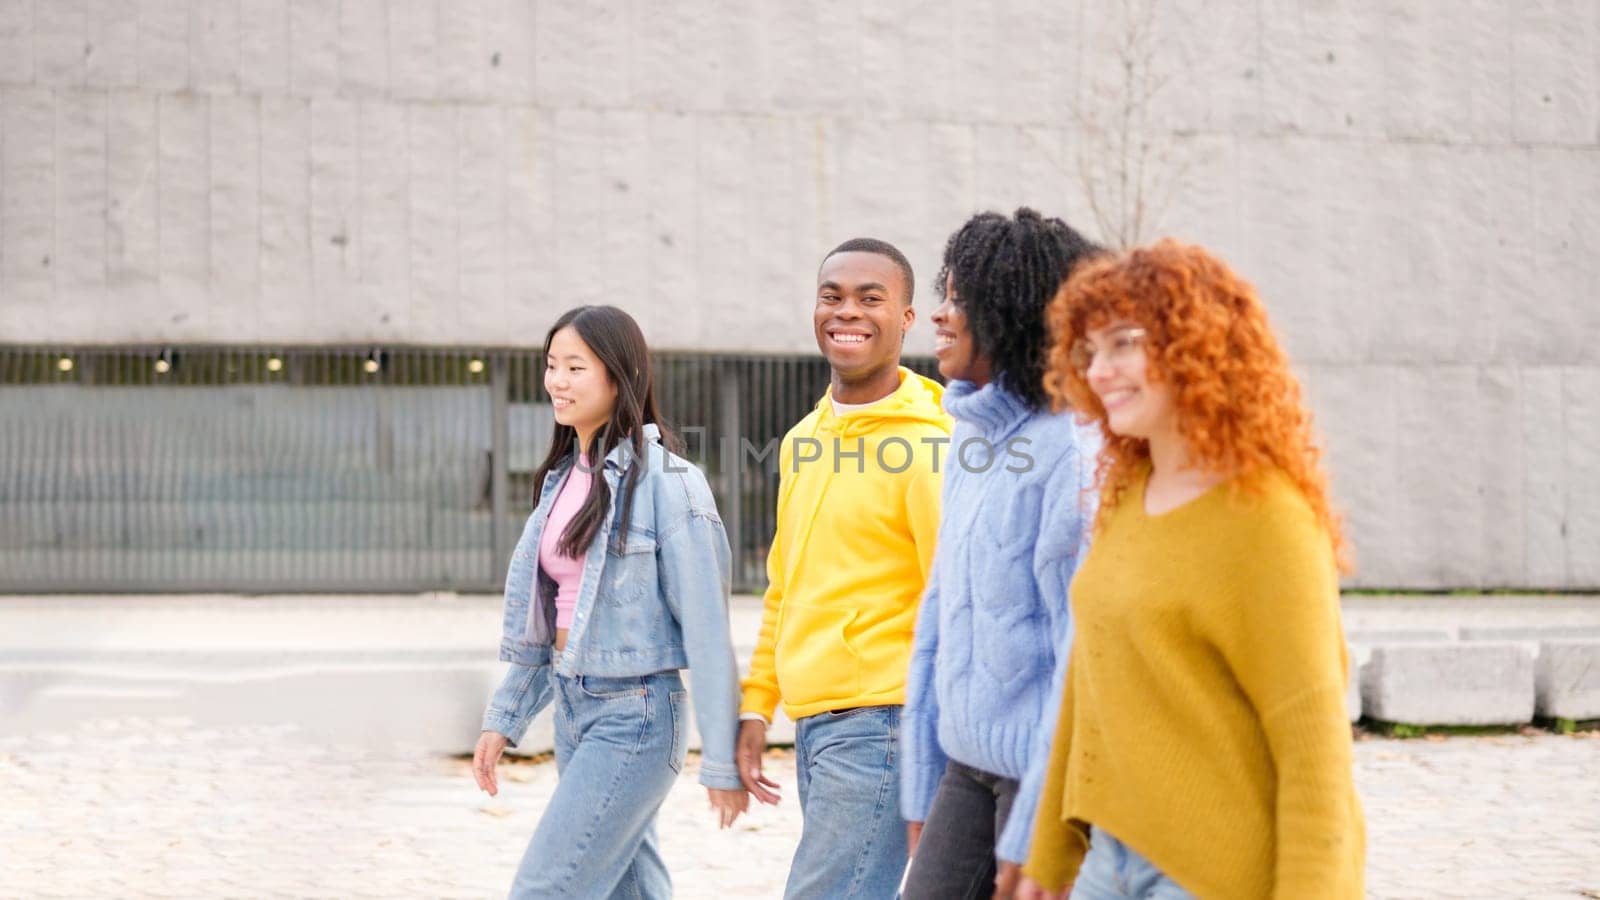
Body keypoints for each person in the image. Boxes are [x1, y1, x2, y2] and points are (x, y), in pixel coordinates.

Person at [1014, 240, 1365, 899]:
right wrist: (1052, 853)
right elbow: (1089, 683)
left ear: (1196, 347)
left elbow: (1314, 751)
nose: (1100, 371)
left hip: (1213, 875)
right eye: (1089, 351)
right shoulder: (1126, 495)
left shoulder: (1267, 520)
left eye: (1125, 342)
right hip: (1108, 857)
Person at [472, 305, 747, 899]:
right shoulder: (562, 479)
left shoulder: (670, 484)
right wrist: (506, 716)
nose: (557, 382)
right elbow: (545, 621)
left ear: (619, 378)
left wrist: (721, 762)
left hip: (637, 716)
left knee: (545, 889)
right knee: (630, 889)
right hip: (574, 707)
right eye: (551, 366)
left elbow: (706, 631)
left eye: (575, 367)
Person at [736, 238, 953, 898]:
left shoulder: (929, 445)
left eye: (870, 298)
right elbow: (787, 585)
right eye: (832, 296)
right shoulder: (803, 442)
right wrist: (757, 705)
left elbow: (956, 602)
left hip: (882, 725)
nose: (846, 312)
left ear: (908, 319)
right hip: (816, 725)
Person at [899, 208, 1101, 900]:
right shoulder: (971, 438)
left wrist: (1032, 837)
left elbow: (1079, 657)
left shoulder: (1069, 452)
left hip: (1039, 778)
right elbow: (939, 617)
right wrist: (919, 786)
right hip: (964, 768)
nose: (940, 315)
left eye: (959, 298)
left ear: (1012, 312)